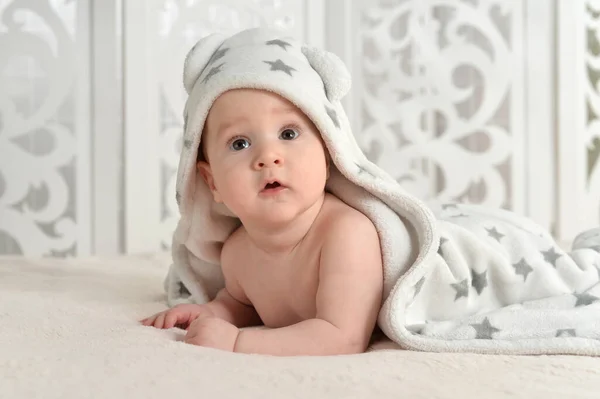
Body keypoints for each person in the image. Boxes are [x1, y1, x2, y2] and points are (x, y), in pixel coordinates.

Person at [141, 86, 384, 355]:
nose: (268, 156)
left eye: (288, 134)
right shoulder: (236, 252)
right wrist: (209, 312)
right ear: (212, 183)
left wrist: (237, 342)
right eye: (239, 143)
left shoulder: (347, 233)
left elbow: (344, 337)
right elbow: (243, 305)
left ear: (328, 156)